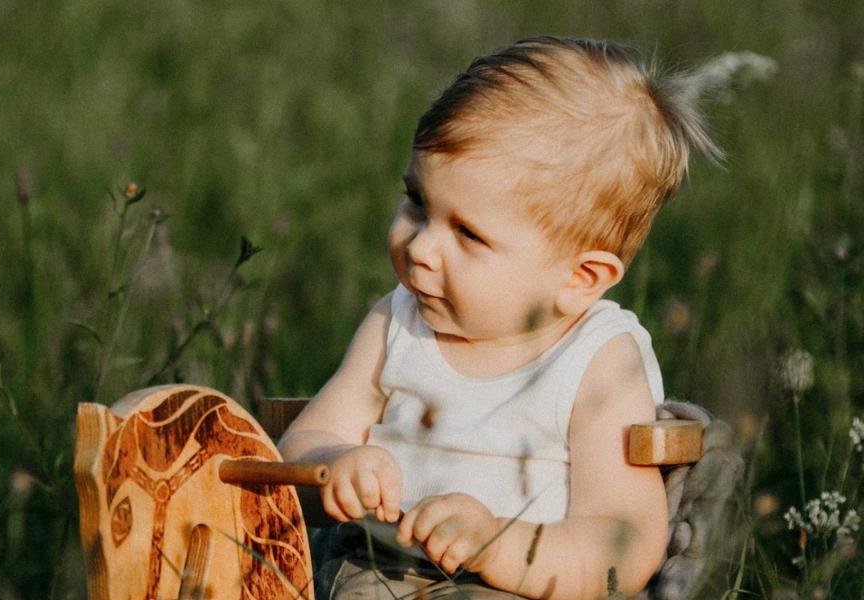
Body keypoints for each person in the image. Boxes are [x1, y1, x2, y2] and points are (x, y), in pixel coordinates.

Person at [278, 36, 722, 600]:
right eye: (417, 201)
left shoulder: (597, 360)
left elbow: (622, 546)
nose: (420, 249)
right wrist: (332, 464)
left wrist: (500, 545)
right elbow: (303, 443)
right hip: (370, 574)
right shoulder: (397, 322)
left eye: (468, 233)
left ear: (577, 279)